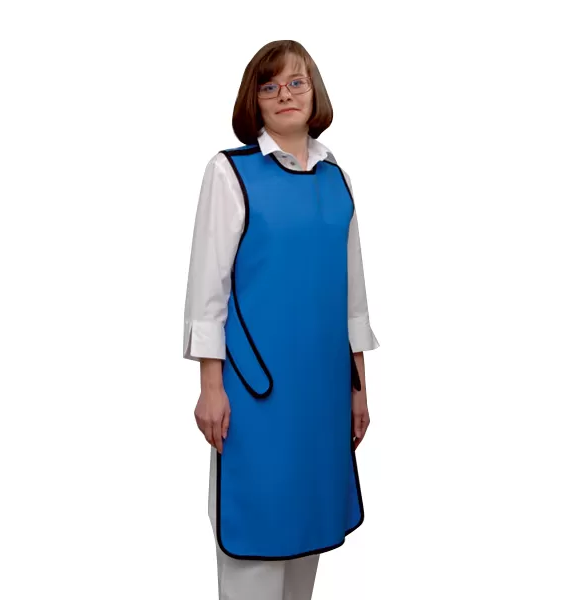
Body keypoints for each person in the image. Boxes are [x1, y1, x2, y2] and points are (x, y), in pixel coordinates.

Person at [183, 39, 380, 600]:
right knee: (257, 532)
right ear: (254, 101)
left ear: (315, 93)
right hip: (255, 391)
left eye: (296, 82)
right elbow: (208, 291)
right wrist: (211, 388)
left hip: (321, 392)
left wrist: (359, 389)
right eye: (269, 86)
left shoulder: (336, 177)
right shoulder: (230, 172)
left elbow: (352, 295)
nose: (284, 94)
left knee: (306, 530)